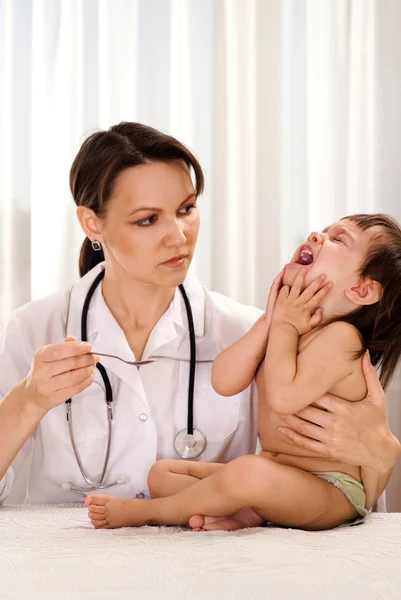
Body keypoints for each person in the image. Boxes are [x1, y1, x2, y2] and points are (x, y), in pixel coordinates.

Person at [0, 124, 398, 514]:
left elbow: (337, 496)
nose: (178, 236)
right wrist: (29, 399)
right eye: (147, 220)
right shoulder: (35, 328)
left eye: (186, 209)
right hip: (71, 565)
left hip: (206, 568)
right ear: (92, 224)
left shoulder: (252, 332)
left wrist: (382, 453)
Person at [85, 214, 401, 531]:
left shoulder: (341, 338)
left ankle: (151, 512)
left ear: (362, 290)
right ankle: (245, 513)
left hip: (329, 489)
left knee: (247, 472)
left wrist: (286, 326)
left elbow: (282, 397)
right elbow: (224, 381)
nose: (318, 235)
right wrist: (270, 320)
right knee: (163, 473)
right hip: (275, 476)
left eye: (339, 239)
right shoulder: (285, 329)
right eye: (326, 230)